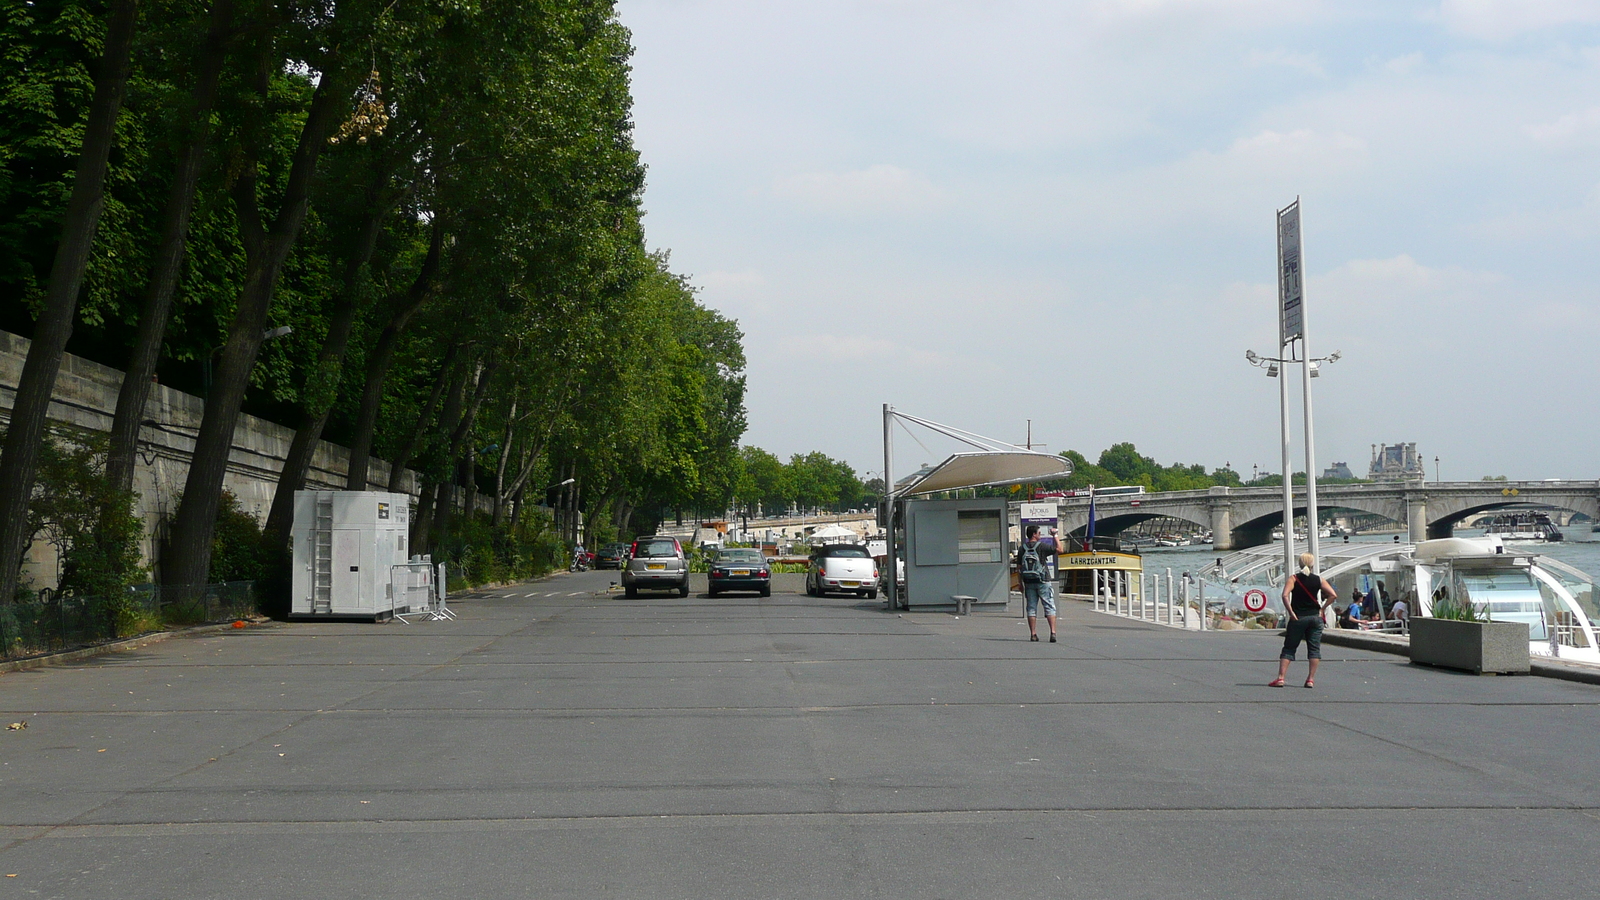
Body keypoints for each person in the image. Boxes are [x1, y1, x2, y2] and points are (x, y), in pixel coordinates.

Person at [1270, 552, 1337, 689]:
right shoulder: (1319, 579)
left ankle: (1281, 678)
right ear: (1312, 564)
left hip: (1298, 617)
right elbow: (1333, 595)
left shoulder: (1293, 579)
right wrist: (1322, 608)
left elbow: (1284, 595)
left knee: (1289, 647)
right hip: (1315, 617)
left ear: (1300, 564)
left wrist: (1291, 612)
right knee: (1314, 648)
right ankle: (1310, 679)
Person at [1016, 525, 1061, 642]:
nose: (1040, 535)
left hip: (1028, 582)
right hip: (1043, 580)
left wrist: (1020, 583)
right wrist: (1055, 535)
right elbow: (1060, 550)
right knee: (1049, 605)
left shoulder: (1022, 548)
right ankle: (1053, 632)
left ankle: (1033, 634)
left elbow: (1019, 568)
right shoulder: (1042, 547)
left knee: (1031, 607)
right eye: (1039, 533)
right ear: (1034, 535)